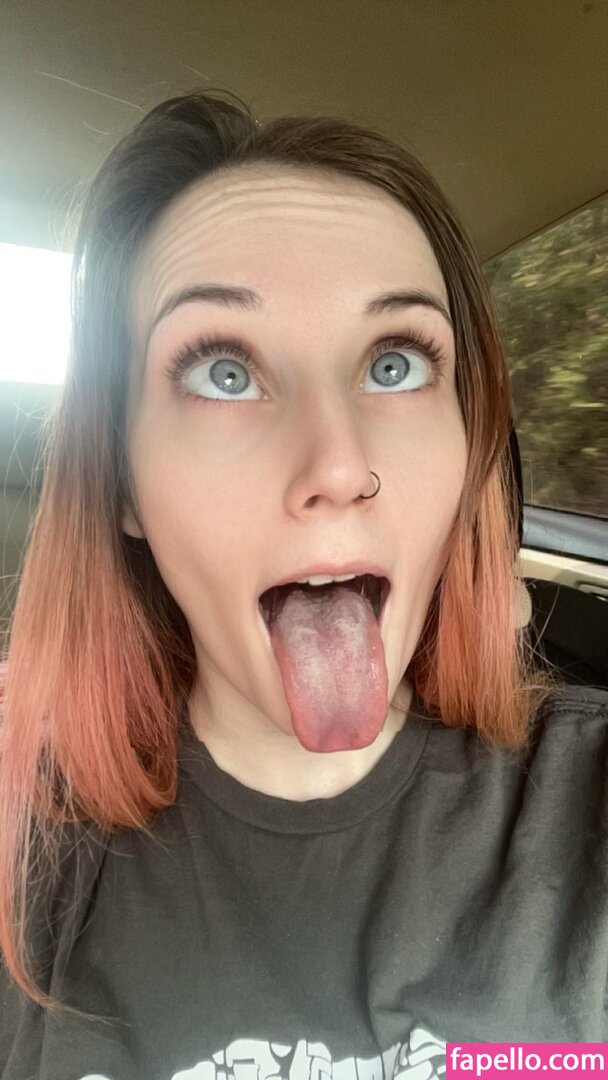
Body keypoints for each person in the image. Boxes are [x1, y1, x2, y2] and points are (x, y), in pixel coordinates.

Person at [0, 89, 606, 1080]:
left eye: (395, 362)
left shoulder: (584, 805)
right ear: (123, 483)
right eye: (223, 372)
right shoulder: (24, 853)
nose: (338, 464)